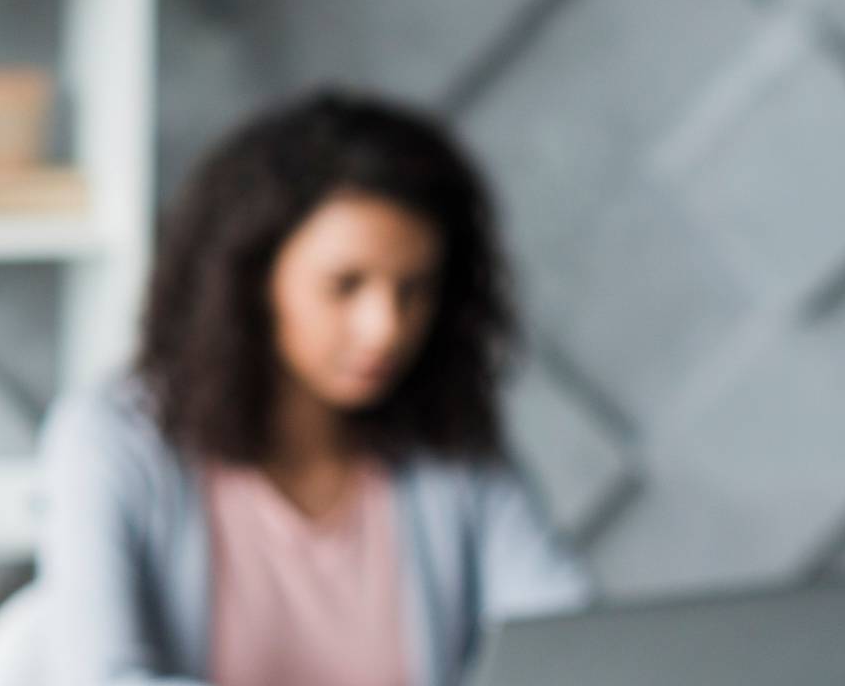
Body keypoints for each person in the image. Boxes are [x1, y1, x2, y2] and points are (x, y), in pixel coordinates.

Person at [34, 88, 592, 686]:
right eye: (345, 285)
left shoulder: (455, 450)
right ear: (250, 281)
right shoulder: (112, 441)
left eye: (414, 289)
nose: (384, 329)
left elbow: (574, 647)